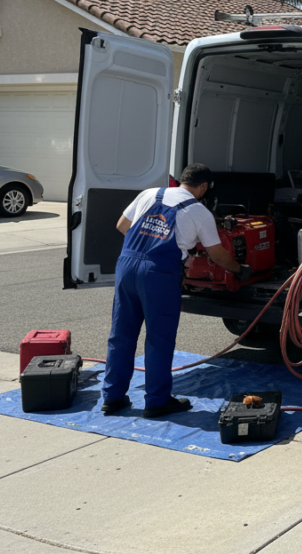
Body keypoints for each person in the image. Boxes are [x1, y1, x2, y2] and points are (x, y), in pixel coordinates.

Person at [100, 164, 249, 417]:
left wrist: (145, 243)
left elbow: (122, 225)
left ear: (181, 181)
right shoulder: (197, 211)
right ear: (203, 187)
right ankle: (157, 401)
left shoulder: (149, 194)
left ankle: (112, 398)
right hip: (158, 273)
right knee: (159, 338)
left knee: (121, 334)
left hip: (126, 267)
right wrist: (239, 269)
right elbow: (216, 253)